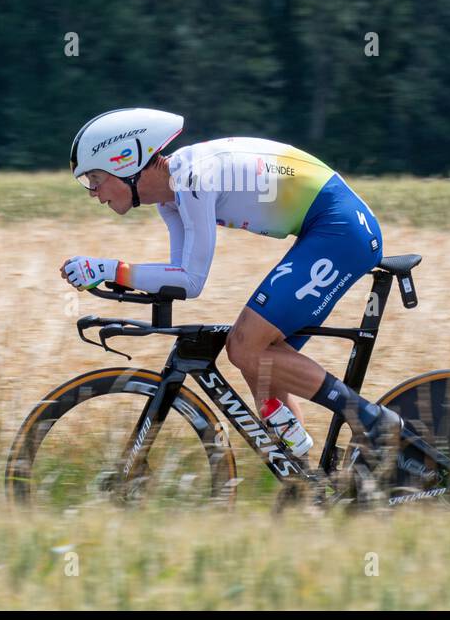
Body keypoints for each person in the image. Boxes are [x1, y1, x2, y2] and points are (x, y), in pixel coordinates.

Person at [59, 107, 403, 462]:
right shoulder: (170, 198)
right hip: (326, 227)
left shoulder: (192, 178)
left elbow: (191, 281)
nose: (93, 193)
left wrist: (113, 269)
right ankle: (306, 487)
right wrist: (118, 279)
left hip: (341, 228)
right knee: (261, 366)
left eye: (95, 179)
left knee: (244, 347)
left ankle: (373, 421)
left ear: (126, 161)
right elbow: (178, 277)